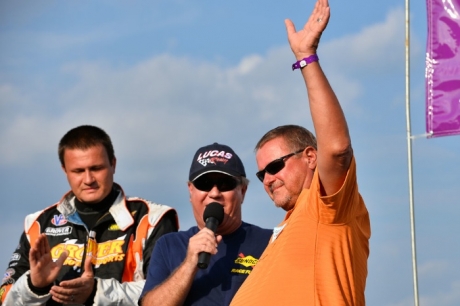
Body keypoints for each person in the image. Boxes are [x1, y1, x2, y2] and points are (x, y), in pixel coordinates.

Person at [230, 0, 370, 305]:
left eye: (276, 165)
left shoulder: (324, 207)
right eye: (262, 172)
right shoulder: (282, 232)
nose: (268, 179)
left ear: (310, 157)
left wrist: (306, 58)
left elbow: (336, 150)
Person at [0, 125, 179, 306]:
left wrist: (96, 291)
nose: (88, 180)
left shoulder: (152, 218)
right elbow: (5, 299)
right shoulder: (38, 224)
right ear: (65, 171)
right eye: (78, 171)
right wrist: (34, 286)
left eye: (96, 168)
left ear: (113, 164)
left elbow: (166, 293)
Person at [139, 142, 272, 306]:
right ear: (190, 190)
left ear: (243, 191)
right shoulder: (168, 245)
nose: (214, 193)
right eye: (205, 184)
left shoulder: (271, 242)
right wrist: (189, 264)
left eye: (225, 184)